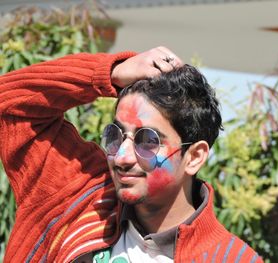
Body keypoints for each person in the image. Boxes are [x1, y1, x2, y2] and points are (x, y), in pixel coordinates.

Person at [0, 46, 263, 263]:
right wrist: (109, 72)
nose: (122, 157)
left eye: (148, 141)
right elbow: (9, 107)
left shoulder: (230, 259)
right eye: (116, 135)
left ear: (194, 157)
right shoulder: (77, 194)